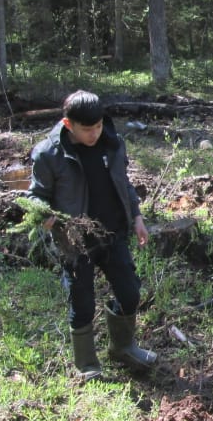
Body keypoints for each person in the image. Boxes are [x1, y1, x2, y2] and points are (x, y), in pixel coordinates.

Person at [28, 90, 157, 381]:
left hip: (113, 233)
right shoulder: (49, 154)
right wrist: (43, 214)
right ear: (68, 123)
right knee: (82, 301)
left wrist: (136, 218)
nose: (94, 134)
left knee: (129, 293)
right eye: (87, 129)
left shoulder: (113, 143)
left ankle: (122, 347)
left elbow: (125, 185)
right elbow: (36, 195)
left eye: (98, 126)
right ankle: (86, 363)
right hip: (74, 242)